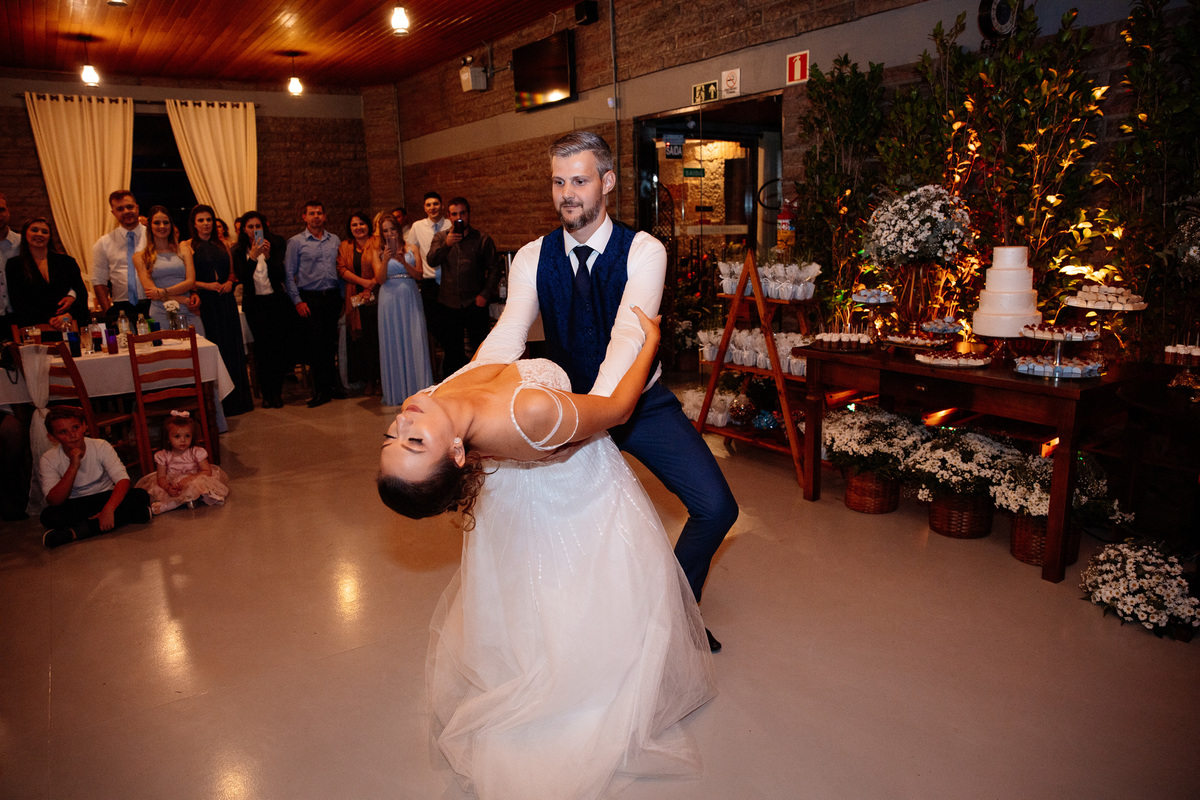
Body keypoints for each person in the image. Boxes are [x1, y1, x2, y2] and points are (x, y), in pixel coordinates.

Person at [377, 308, 715, 800]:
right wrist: (651, 345)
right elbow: (617, 409)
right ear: (455, 454)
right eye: (413, 442)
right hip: (576, 497)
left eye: (393, 436)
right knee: (578, 595)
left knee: (538, 605)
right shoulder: (531, 413)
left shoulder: (424, 405)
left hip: (512, 502)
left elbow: (483, 364)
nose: (404, 422)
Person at [476, 131, 738, 652]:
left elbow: (628, 336)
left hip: (640, 403)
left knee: (716, 506)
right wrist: (460, 392)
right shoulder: (532, 256)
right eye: (557, 182)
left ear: (608, 182)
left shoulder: (645, 250)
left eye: (579, 180)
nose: (566, 193)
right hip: (565, 407)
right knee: (570, 530)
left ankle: (677, 612)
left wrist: (596, 416)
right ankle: (580, 635)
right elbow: (509, 334)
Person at [39, 405, 152, 548]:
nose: (72, 435)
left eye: (75, 428)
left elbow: (123, 480)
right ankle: (132, 516)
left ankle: (76, 532)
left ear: (84, 426)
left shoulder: (100, 446)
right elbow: (54, 500)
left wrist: (109, 509)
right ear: (52, 437)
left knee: (141, 495)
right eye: (63, 432)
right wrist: (73, 467)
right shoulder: (49, 459)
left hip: (104, 497)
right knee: (48, 516)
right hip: (77, 503)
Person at [182, 204, 252, 416]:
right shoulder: (187, 246)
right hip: (205, 302)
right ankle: (217, 405)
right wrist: (206, 286)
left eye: (209, 220)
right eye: (201, 220)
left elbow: (231, 272)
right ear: (194, 223)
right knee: (214, 348)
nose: (206, 224)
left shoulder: (222, 244)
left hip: (225, 300)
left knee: (231, 346)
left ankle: (237, 401)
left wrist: (230, 282)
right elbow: (188, 279)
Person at [424, 197, 501, 375]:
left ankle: (482, 386)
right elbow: (431, 260)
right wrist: (447, 244)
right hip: (448, 303)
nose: (459, 217)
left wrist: (485, 294)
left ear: (468, 214)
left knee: (480, 349)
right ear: (449, 216)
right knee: (452, 351)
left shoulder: (482, 239)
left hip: (475, 302)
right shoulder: (441, 237)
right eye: (454, 214)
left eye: (462, 213)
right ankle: (453, 391)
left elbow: (495, 269)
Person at [284, 199, 345, 408]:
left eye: (319, 212)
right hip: (310, 299)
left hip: (333, 297)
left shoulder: (335, 240)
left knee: (330, 345)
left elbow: (341, 270)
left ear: (325, 216)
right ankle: (320, 390)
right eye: (312, 213)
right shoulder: (296, 242)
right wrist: (297, 301)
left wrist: (344, 298)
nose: (316, 216)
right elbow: (289, 274)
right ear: (304, 217)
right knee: (316, 346)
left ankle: (332, 387)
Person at [232, 211, 295, 409]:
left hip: (275, 301)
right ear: (243, 229)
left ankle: (277, 393)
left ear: (263, 227)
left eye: (257, 226)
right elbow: (242, 277)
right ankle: (266, 393)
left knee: (277, 348)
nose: (254, 230)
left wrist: (267, 258)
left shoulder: (274, 244)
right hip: (255, 304)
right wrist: (252, 258)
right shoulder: (238, 250)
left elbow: (280, 276)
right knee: (262, 349)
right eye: (250, 227)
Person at [374, 214, 431, 406]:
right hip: (388, 298)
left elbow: (420, 275)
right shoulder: (377, 251)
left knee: (415, 338)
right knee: (393, 339)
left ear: (399, 229)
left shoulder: (412, 248)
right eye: (386, 230)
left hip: (410, 294)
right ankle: (396, 391)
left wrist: (404, 262)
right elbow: (379, 279)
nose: (390, 233)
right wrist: (386, 260)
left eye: (393, 229)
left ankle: (418, 390)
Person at [135, 410, 228, 515]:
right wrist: (168, 487)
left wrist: (189, 479)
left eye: (187, 436)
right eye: (177, 436)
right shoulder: (163, 455)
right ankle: (186, 500)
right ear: (168, 438)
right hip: (172, 482)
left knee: (197, 486)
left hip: (193, 478)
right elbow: (161, 477)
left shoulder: (196, 452)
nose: (183, 440)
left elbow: (207, 471)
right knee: (159, 489)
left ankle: (170, 506)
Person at [7, 217, 90, 329]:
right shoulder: (14, 265)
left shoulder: (67, 261)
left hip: (67, 323)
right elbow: (18, 301)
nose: (40, 234)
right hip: (34, 327)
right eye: (34, 230)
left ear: (49, 237)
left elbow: (82, 294)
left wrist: (67, 316)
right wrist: (48, 319)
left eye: (45, 232)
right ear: (25, 234)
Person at [135, 206, 204, 335]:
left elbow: (190, 282)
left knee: (199, 351)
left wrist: (163, 292)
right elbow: (151, 291)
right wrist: (183, 299)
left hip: (189, 311)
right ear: (150, 226)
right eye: (157, 222)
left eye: (166, 222)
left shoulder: (183, 249)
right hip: (161, 312)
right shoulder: (140, 257)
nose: (162, 226)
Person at [336, 212, 380, 395]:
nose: (359, 227)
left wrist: (372, 284)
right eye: (354, 225)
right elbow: (341, 269)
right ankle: (368, 380)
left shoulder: (377, 242)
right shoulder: (345, 246)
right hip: (355, 300)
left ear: (368, 225)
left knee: (377, 339)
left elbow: (385, 264)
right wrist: (364, 283)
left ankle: (382, 380)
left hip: (377, 296)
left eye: (362, 223)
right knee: (363, 342)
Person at [405, 191, 448, 375]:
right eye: (429, 205)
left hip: (448, 282)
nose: (432, 208)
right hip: (429, 283)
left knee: (449, 325)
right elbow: (409, 249)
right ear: (424, 208)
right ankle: (442, 363)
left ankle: (449, 364)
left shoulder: (450, 224)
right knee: (433, 325)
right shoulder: (417, 226)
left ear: (442, 205)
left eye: (436, 204)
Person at [92, 190, 152, 320]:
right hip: (121, 308)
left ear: (137, 208)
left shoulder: (153, 237)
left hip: (153, 303)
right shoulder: (103, 243)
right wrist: (109, 313)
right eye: (120, 209)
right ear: (113, 213)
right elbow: (99, 281)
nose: (126, 211)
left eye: (129, 207)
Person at [0, 193, 22, 334]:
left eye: (1, 210)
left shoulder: (24, 243)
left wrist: (71, 294)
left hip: (20, 318)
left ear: (8, 211)